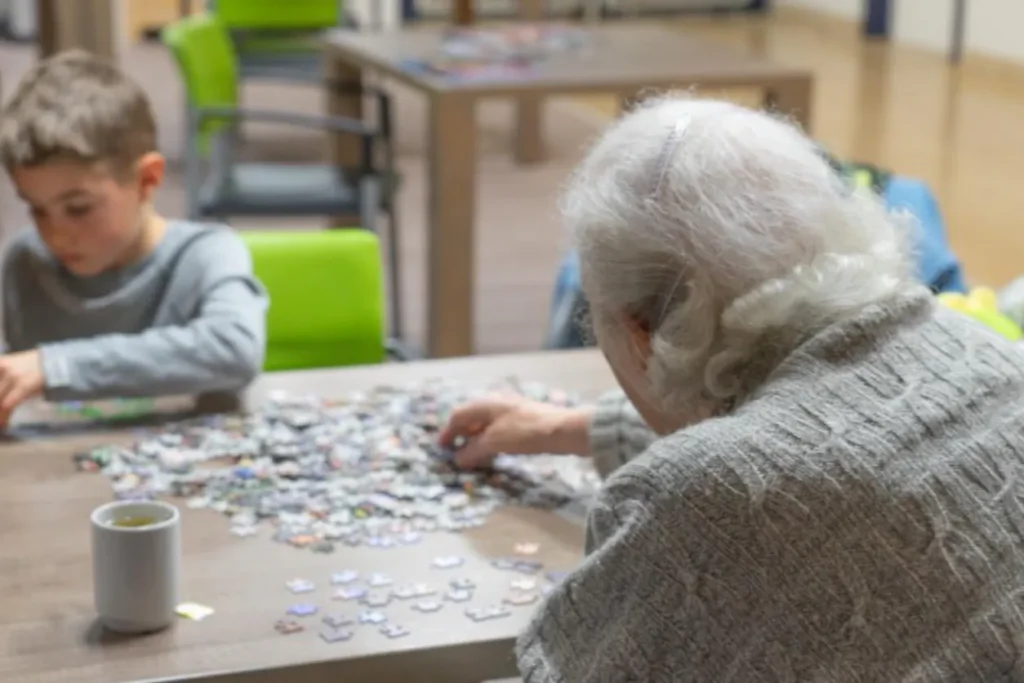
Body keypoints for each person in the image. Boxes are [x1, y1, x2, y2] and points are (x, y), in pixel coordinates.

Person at [439, 96, 1024, 680]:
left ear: (642, 334)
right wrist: (570, 429)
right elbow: (832, 436)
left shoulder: (697, 497)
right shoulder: (983, 347)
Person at [0, 50, 267, 426]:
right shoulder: (25, 261)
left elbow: (235, 350)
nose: (54, 233)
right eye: (36, 208)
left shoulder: (206, 254)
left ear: (147, 180)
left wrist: (54, 366)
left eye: (78, 208)